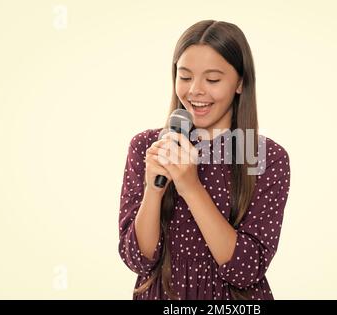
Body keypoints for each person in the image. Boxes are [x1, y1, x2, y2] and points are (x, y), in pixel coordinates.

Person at [118, 20, 291, 300]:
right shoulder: (146, 147)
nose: (195, 90)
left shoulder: (264, 157)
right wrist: (154, 190)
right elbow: (138, 259)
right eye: (185, 77)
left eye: (212, 80)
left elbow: (245, 271)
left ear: (240, 82)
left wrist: (190, 186)